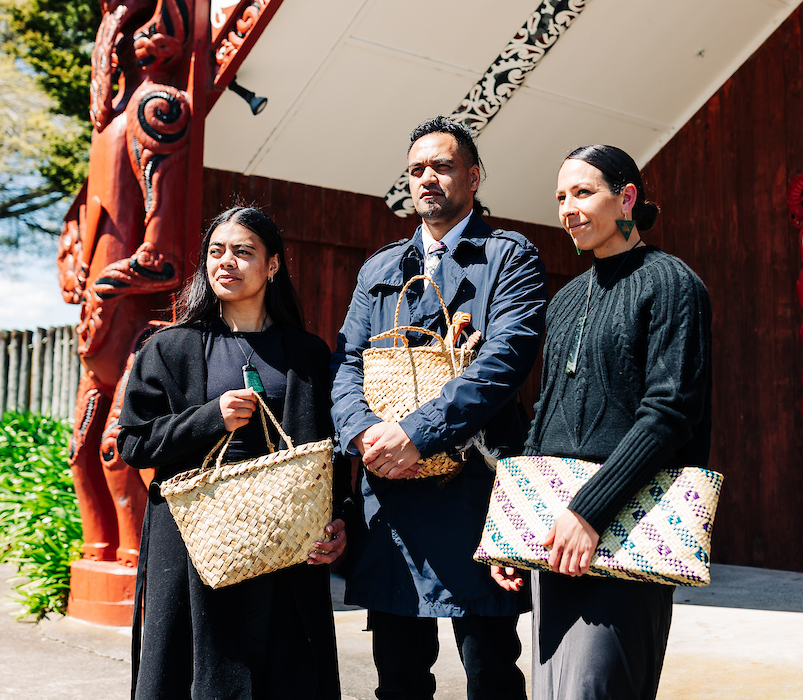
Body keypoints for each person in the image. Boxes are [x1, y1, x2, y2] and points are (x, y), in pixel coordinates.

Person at [331, 116, 548, 700]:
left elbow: (504, 361)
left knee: (492, 670)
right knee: (397, 676)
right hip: (390, 492)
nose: (427, 178)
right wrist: (364, 435)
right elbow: (345, 366)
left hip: (476, 491)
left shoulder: (509, 256)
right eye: (417, 169)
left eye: (443, 166)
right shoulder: (379, 268)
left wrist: (417, 435)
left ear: (474, 177)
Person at [494, 144, 712, 700]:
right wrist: (510, 529)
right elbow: (543, 417)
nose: (568, 208)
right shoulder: (564, 299)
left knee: (595, 688)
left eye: (583, 192)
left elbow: (670, 413)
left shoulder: (672, 283)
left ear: (627, 199)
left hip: (625, 524)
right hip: (557, 528)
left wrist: (588, 512)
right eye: (561, 196)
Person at [117, 206, 347, 700]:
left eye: (244, 252)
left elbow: (333, 451)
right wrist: (209, 418)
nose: (227, 262)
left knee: (286, 673)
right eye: (216, 252)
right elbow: (133, 442)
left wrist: (340, 517)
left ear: (273, 266)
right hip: (194, 546)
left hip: (288, 544)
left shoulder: (307, 353)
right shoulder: (169, 348)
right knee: (193, 674)